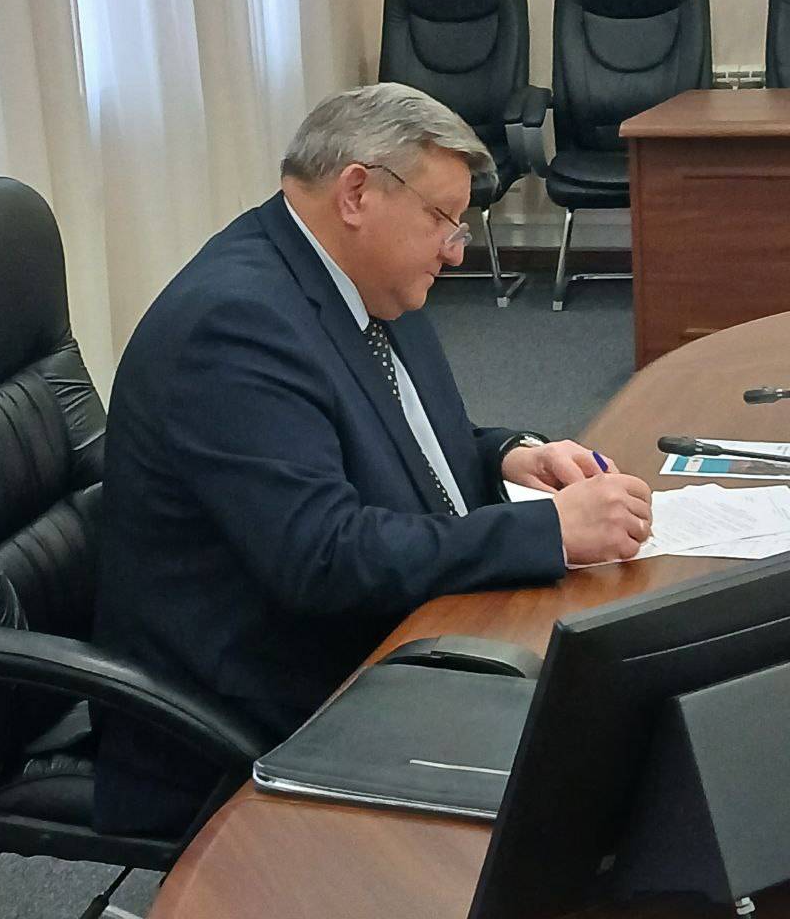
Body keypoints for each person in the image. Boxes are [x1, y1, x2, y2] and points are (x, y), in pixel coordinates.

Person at [92, 82, 652, 833]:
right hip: (266, 695)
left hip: (369, 635)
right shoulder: (236, 325)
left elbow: (395, 437)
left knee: (618, 693)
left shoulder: (358, 278)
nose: (456, 250)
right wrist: (548, 530)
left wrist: (505, 456)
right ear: (357, 193)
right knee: (595, 767)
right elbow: (322, 556)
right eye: (442, 219)